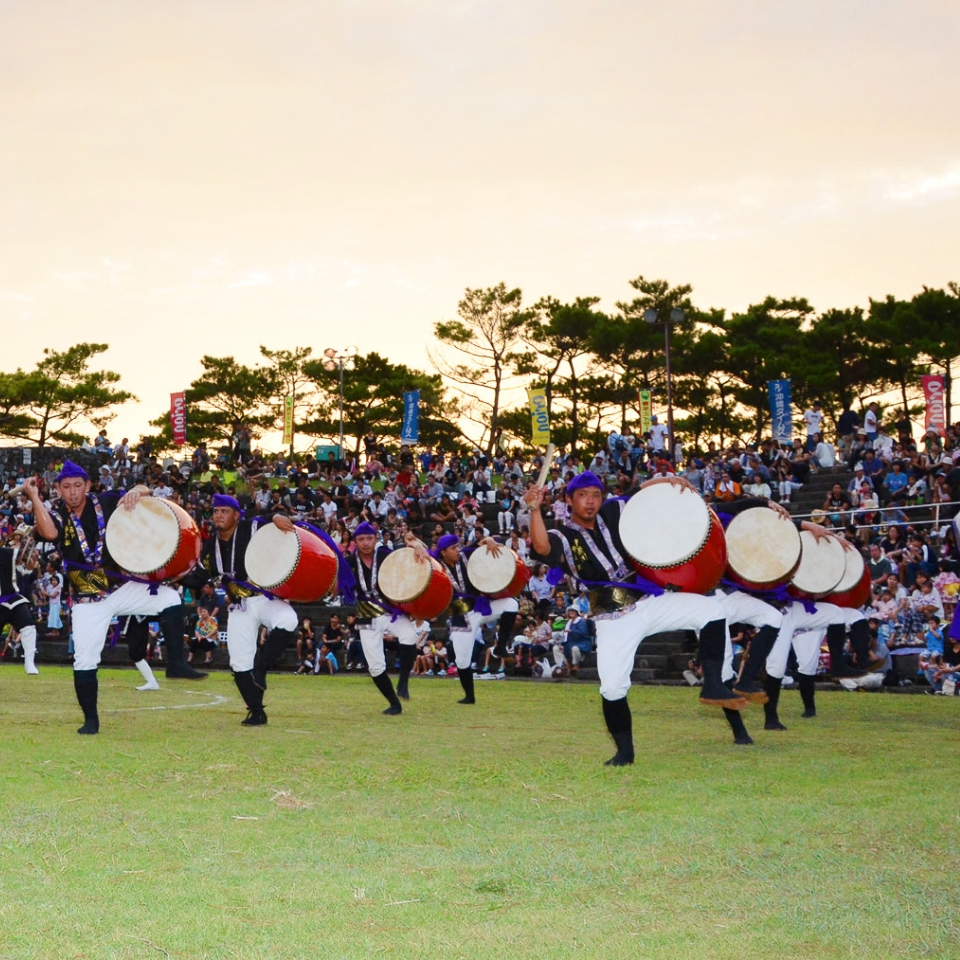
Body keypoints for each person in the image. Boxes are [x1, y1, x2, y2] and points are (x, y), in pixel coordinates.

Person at [525, 471, 748, 767]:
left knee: (713, 611)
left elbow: (643, 492)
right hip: (612, 618)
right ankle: (625, 753)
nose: (590, 502)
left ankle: (713, 686)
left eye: (595, 494)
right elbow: (541, 548)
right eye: (582, 496)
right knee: (613, 688)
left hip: (648, 602)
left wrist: (670, 481)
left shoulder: (614, 510)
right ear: (568, 500)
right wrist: (534, 509)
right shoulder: (562, 536)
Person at [26, 463, 205, 735]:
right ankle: (91, 720)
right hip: (87, 599)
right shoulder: (55, 513)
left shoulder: (108, 501)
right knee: (85, 659)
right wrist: (34, 496)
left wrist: (136, 490)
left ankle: (176, 664)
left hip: (119, 588)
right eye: (66, 487)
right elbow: (49, 533)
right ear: (58, 489)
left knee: (169, 597)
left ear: (87, 485)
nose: (73, 492)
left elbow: (145, 490)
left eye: (77, 485)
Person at [182, 493, 299, 726]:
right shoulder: (209, 547)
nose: (218, 515)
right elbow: (199, 579)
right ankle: (257, 711)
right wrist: (174, 575)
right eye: (215, 511)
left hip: (263, 598)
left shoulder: (251, 527)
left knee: (289, 619)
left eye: (224, 511)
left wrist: (276, 515)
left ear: (237, 515)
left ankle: (263, 664)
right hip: (239, 607)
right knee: (239, 663)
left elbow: (269, 518)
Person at [429, 533, 520, 706]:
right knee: (462, 661)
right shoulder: (436, 567)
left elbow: (485, 546)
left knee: (511, 604)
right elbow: (424, 555)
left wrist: (490, 540)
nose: (457, 550)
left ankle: (500, 646)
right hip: (459, 616)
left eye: (457, 546)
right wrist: (415, 545)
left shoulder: (466, 555)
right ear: (443, 552)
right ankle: (469, 696)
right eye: (453, 548)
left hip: (480, 607)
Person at [342, 522, 416, 713]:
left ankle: (404, 681)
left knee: (410, 635)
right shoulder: (348, 563)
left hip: (391, 612)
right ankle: (394, 703)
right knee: (375, 666)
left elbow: (410, 562)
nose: (366, 543)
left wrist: (417, 546)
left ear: (376, 539)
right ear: (355, 542)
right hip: (366, 616)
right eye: (361, 539)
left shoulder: (386, 556)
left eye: (369, 538)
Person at [0, 537, 40, 675]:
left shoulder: (5, 553)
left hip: (11, 598)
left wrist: (30, 538)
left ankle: (29, 662)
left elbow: (25, 561)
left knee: (28, 624)